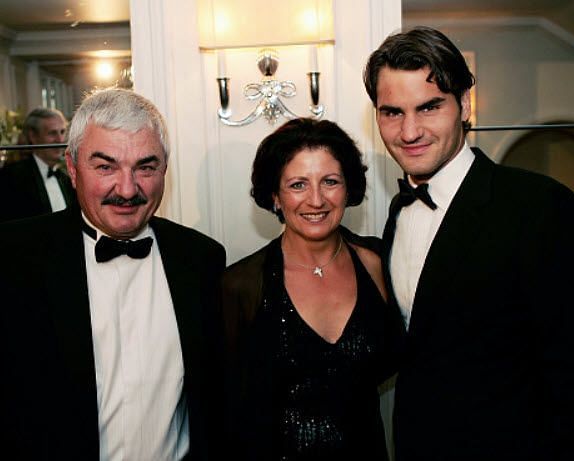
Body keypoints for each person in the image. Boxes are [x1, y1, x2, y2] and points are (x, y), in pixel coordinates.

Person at [363, 26, 574, 461]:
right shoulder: (398, 212)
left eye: (429, 107)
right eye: (392, 112)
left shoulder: (539, 206)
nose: (409, 132)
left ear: (464, 105)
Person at [0, 88, 226, 460]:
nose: (127, 189)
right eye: (105, 167)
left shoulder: (201, 260)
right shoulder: (14, 259)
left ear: (165, 169)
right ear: (72, 170)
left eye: (145, 167)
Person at [222, 118, 405, 461]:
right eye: (298, 185)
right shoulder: (240, 286)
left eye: (330, 181)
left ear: (348, 189)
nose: (316, 199)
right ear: (275, 196)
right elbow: (227, 408)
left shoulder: (379, 263)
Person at [0, 107, 76, 222]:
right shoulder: (12, 177)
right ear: (33, 136)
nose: (60, 140)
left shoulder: (66, 179)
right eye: (52, 133)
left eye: (62, 132)